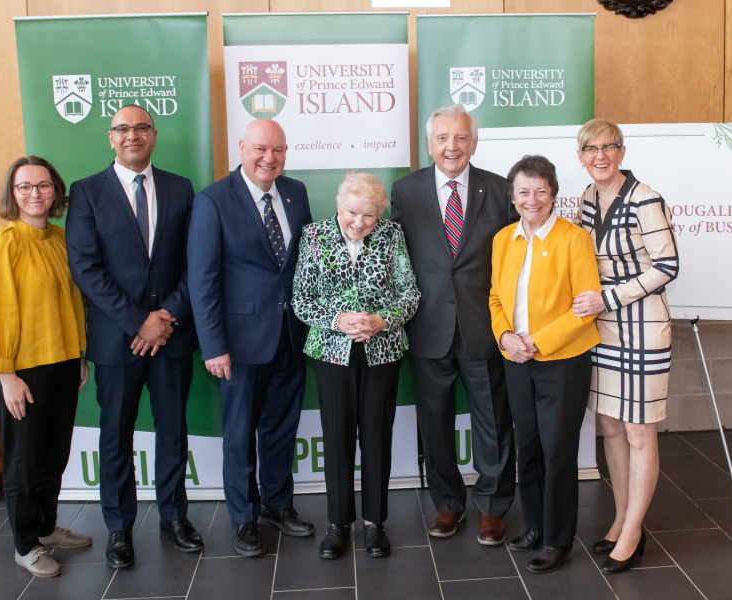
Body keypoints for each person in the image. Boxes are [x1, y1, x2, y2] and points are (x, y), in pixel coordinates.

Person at [66, 104, 200, 569]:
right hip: (116, 339)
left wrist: (167, 315)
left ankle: (174, 517)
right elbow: (86, 268)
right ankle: (119, 528)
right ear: (110, 137)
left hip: (172, 335)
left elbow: (193, 262)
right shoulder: (85, 193)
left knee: (172, 430)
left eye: (141, 128)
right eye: (122, 128)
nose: (132, 135)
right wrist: (137, 321)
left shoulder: (181, 188)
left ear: (154, 135)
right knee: (116, 436)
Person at [187, 118, 315, 557]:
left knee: (280, 428)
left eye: (278, 150)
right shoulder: (212, 201)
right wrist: (213, 345)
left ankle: (278, 505)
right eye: (261, 149)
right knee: (240, 433)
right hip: (238, 343)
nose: (269, 158)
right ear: (241, 147)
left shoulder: (296, 193)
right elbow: (202, 280)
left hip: (291, 336)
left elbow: (306, 264)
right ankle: (244, 517)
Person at [390, 104, 517, 545]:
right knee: (435, 421)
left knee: (493, 421)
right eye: (442, 138)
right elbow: (396, 260)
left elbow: (515, 262)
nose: (452, 146)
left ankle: (493, 506)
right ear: (429, 144)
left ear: (474, 143)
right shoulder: (405, 192)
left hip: (485, 326)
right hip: (427, 327)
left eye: (461, 138)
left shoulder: (500, 191)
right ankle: (447, 504)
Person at [292, 171, 420, 560]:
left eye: (369, 215)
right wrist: (339, 320)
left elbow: (410, 293)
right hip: (332, 353)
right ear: (338, 204)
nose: (360, 223)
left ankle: (374, 523)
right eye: (352, 212)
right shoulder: (314, 236)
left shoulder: (391, 234)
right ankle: (337, 523)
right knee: (338, 437)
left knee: (377, 436)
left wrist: (383, 320)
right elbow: (302, 298)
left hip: (382, 351)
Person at [0, 156, 91, 578]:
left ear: (56, 192)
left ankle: (45, 527)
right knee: (24, 459)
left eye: (43, 186)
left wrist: (79, 354)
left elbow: (74, 303)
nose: (35, 194)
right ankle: (26, 544)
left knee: (52, 454)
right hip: (22, 372)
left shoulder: (60, 239)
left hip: (62, 363)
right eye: (25, 187)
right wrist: (4, 375)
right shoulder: (5, 242)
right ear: (12, 193)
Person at [571, 119, 679, 573]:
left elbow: (667, 265)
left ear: (622, 152)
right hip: (603, 329)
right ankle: (620, 518)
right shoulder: (588, 199)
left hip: (641, 326)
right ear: (581, 156)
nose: (600, 156)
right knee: (611, 428)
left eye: (609, 147)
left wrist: (609, 297)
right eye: (591, 149)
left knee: (639, 431)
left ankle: (634, 533)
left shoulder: (645, 197)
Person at [488, 155, 601, 574]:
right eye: (523, 191)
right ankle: (534, 525)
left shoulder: (574, 239)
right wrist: (505, 337)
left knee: (557, 451)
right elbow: (496, 298)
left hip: (562, 362)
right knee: (529, 446)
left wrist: (535, 341)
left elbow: (585, 308)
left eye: (540, 190)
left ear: (553, 194)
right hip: (516, 358)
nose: (531, 199)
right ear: (512, 196)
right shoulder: (503, 239)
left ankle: (557, 539)